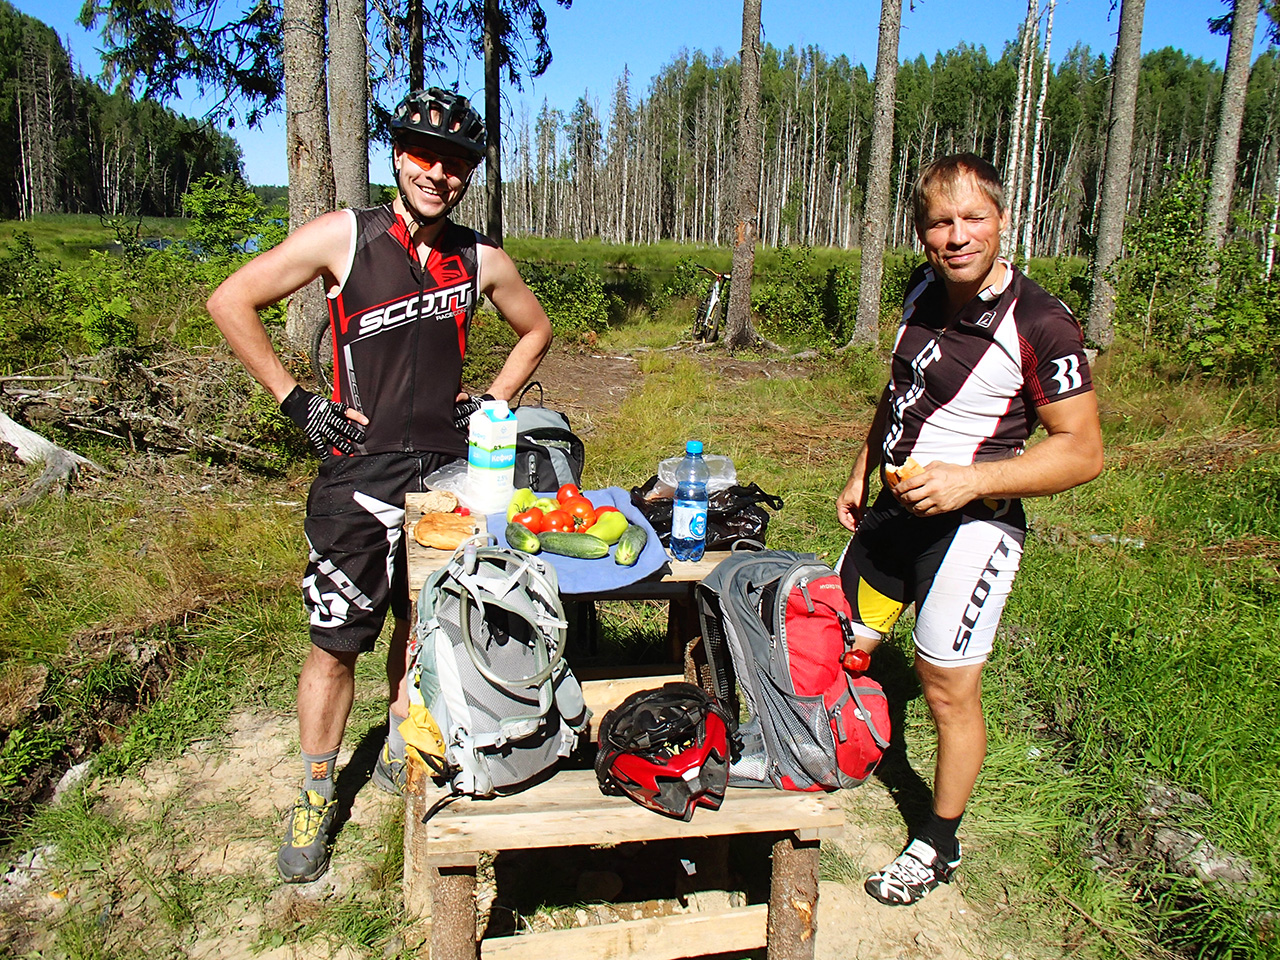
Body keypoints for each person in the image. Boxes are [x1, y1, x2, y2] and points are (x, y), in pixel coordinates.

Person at [207, 87, 553, 884]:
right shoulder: (346, 235)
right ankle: (315, 791)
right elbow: (230, 300)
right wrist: (296, 403)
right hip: (357, 474)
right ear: (397, 155)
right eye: (424, 155)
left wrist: (493, 402)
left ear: (469, 175)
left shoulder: (480, 257)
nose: (439, 174)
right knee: (335, 643)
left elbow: (535, 330)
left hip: (444, 474)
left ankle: (401, 744)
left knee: (424, 622)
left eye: (456, 163)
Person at [835, 153, 1103, 906]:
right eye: (939, 222)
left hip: (973, 527)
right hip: (894, 511)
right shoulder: (922, 288)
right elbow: (899, 392)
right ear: (921, 232)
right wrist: (861, 468)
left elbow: (1083, 451)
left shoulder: (1041, 322)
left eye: (972, 218)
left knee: (947, 690)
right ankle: (834, 756)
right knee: (838, 643)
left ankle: (938, 841)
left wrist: (972, 479)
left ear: (1002, 220)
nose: (956, 237)